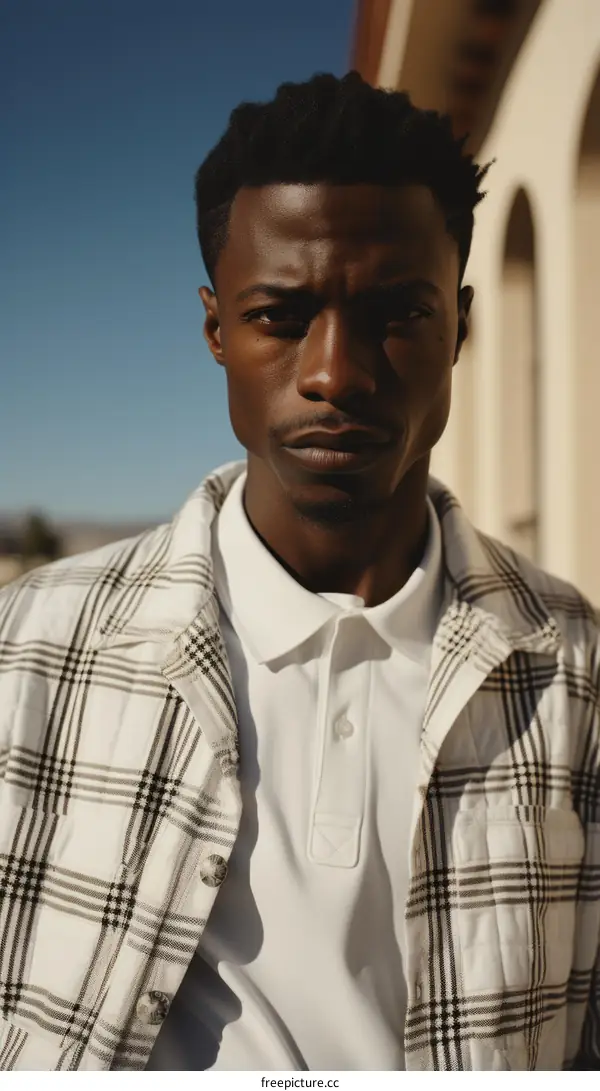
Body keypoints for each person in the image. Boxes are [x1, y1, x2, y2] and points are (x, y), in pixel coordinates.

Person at [0, 71, 598, 1074]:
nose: (337, 373)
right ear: (215, 330)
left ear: (461, 323)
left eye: (398, 315)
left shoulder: (572, 673)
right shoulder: (33, 652)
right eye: (282, 315)